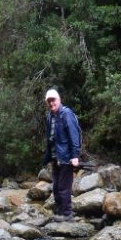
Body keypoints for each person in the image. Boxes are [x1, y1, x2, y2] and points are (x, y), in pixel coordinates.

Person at [41, 88, 81, 219]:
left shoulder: (66, 114)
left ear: (59, 100)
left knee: (64, 187)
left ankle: (67, 213)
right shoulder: (49, 116)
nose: (51, 103)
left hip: (66, 157)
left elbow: (74, 135)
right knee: (56, 187)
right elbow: (50, 139)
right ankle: (59, 211)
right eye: (49, 101)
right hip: (55, 157)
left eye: (53, 100)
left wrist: (75, 155)